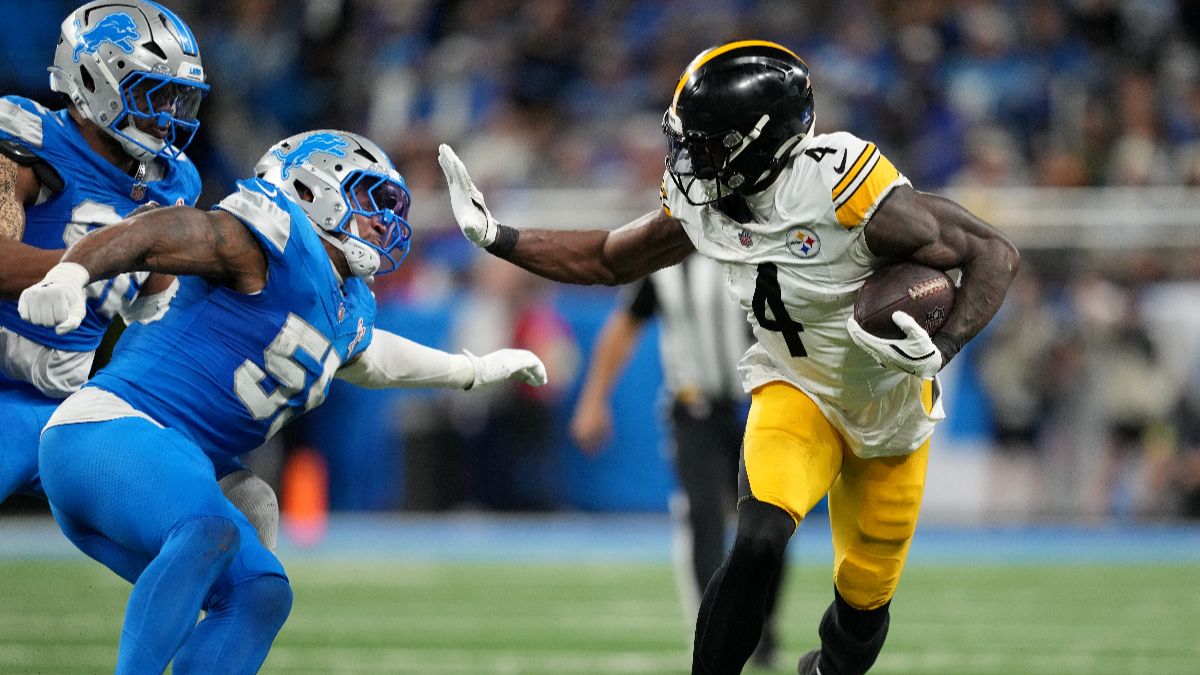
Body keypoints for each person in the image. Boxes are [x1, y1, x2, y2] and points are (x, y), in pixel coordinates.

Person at [438, 40, 1020, 674]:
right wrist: (499, 238)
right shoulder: (702, 200)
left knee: (863, 601)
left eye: (709, 143)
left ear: (761, 142)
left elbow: (993, 254)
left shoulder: (840, 190)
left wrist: (943, 346)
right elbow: (609, 258)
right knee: (759, 538)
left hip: (891, 409)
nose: (690, 159)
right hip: (795, 389)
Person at [18, 129, 548, 673]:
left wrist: (472, 370)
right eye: (370, 200)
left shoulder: (347, 302)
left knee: (260, 593)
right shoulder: (272, 234)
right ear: (313, 188)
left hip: (177, 462)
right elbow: (163, 231)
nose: (382, 221)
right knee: (210, 528)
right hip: (105, 434)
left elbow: (374, 358)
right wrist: (74, 270)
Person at [0, 0, 279, 546]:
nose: (168, 113)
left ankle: (212, 627)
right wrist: (94, 264)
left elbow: (150, 314)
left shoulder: (173, 182)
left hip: (74, 405)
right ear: (92, 79)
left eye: (177, 97)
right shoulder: (26, 141)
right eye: (153, 94)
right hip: (4, 392)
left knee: (247, 505)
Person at [569, 255, 785, 665]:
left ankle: (762, 620)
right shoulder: (665, 257)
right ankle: (718, 631)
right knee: (703, 517)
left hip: (759, 405)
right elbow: (626, 324)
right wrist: (593, 399)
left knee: (770, 523)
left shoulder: (756, 244)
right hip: (692, 411)